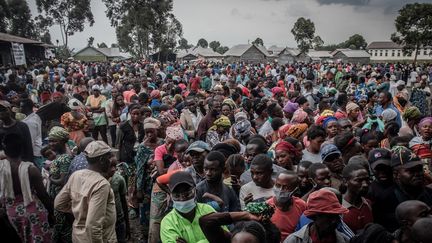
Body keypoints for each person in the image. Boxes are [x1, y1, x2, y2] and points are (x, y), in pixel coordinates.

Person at [54, 141, 117, 242]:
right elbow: (93, 226)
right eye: (109, 158)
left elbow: (58, 203)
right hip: (98, 238)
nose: (111, 161)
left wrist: (80, 211)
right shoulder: (101, 184)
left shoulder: (76, 175)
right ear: (101, 160)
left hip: (78, 237)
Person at [0, 133, 53, 242]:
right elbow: (43, 195)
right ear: (22, 150)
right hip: (33, 213)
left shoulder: (1, 167)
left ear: (5, 151)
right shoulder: (31, 169)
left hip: (11, 212)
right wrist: (52, 212)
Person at [160, 171, 218, 243]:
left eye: (187, 193)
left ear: (195, 191)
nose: (182, 199)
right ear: (171, 197)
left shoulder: (208, 211)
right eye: (177, 196)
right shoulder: (168, 222)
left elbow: (223, 238)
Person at [284, 189, 350, 243]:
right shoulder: (294, 240)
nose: (334, 221)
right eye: (329, 217)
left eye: (337, 216)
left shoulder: (345, 240)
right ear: (314, 217)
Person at [48, 126, 74, 242]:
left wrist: (50, 178)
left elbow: (63, 181)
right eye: (50, 141)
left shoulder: (65, 158)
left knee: (64, 228)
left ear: (63, 141)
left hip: (62, 198)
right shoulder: (59, 155)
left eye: (54, 141)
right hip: (57, 197)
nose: (51, 144)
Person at [267, 171, 307, 240]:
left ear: (295, 190)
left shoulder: (302, 206)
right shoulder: (266, 206)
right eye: (278, 185)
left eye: (286, 187)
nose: (281, 190)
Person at [340, 164, 373, 233]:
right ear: (345, 182)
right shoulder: (338, 208)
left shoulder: (368, 204)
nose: (365, 184)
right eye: (358, 180)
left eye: (367, 180)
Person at [107, 153, 130, 243]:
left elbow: (124, 202)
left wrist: (127, 225)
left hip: (119, 219)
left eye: (115, 166)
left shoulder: (119, 179)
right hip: (106, 222)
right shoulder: (98, 181)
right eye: (110, 166)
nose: (113, 169)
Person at [20, 98, 44, 169]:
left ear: (26, 107)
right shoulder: (35, 116)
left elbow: (30, 140)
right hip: (36, 150)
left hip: (33, 153)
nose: (20, 108)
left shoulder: (29, 122)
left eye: (21, 106)